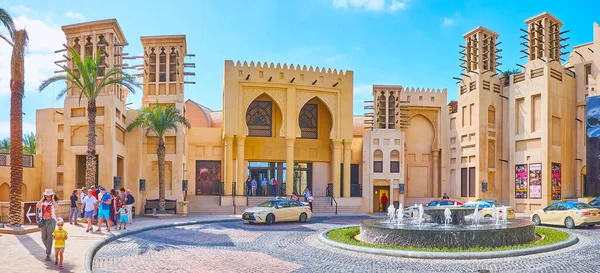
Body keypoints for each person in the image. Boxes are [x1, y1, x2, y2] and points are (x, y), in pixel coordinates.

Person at [37, 189, 58, 261]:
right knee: (43, 238)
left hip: (52, 221)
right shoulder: (43, 202)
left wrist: (53, 199)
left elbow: (56, 207)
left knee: (50, 237)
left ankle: (48, 254)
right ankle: (49, 249)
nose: (48, 197)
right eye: (47, 196)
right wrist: (42, 198)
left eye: (50, 196)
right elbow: (37, 205)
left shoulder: (53, 202)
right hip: (43, 221)